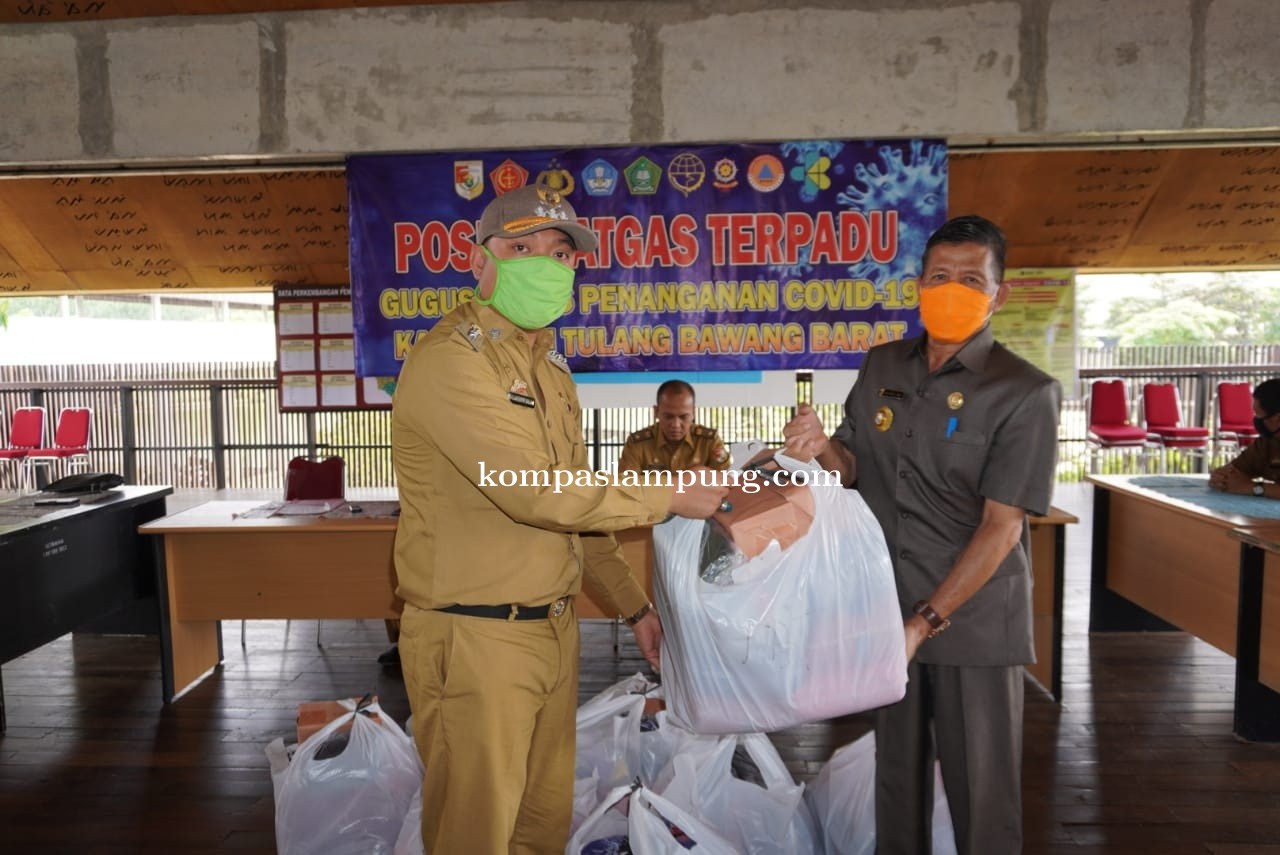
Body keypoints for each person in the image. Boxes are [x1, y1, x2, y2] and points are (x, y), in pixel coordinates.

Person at [391, 184, 727, 854]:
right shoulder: (451, 362)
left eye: (558, 253)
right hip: (475, 638)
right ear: (478, 258)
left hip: (553, 630)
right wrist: (674, 494)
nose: (543, 264)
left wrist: (636, 609)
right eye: (521, 248)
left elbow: (577, 510)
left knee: (541, 829)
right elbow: (536, 492)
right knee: (474, 837)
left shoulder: (550, 371)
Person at [782, 215, 1061, 854]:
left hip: (974, 619)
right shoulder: (884, 364)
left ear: (1000, 294)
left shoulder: (1024, 392)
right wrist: (824, 445)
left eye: (972, 279)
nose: (952, 289)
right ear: (918, 285)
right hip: (886, 606)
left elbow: (1001, 530)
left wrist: (925, 620)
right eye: (940, 276)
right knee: (896, 778)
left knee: (981, 793)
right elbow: (853, 469)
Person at [617, 379, 731, 473]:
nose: (676, 425)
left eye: (683, 417)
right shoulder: (638, 444)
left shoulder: (709, 442)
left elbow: (724, 481)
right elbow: (627, 488)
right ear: (656, 411)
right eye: (668, 416)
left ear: (693, 413)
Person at [1208, 377, 1280, 498]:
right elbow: (1234, 472)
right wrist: (1221, 477)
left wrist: (1253, 488)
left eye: (1259, 416)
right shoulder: (1267, 443)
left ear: (1277, 418)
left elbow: (1243, 486)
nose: (1256, 421)